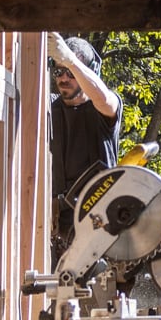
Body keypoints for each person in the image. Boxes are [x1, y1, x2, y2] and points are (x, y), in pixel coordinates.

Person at [47, 35, 121, 224]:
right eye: (59, 71)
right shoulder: (47, 109)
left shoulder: (104, 105)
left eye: (71, 72)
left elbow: (105, 100)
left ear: (90, 71)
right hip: (55, 222)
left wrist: (70, 60)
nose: (64, 78)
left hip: (100, 220)